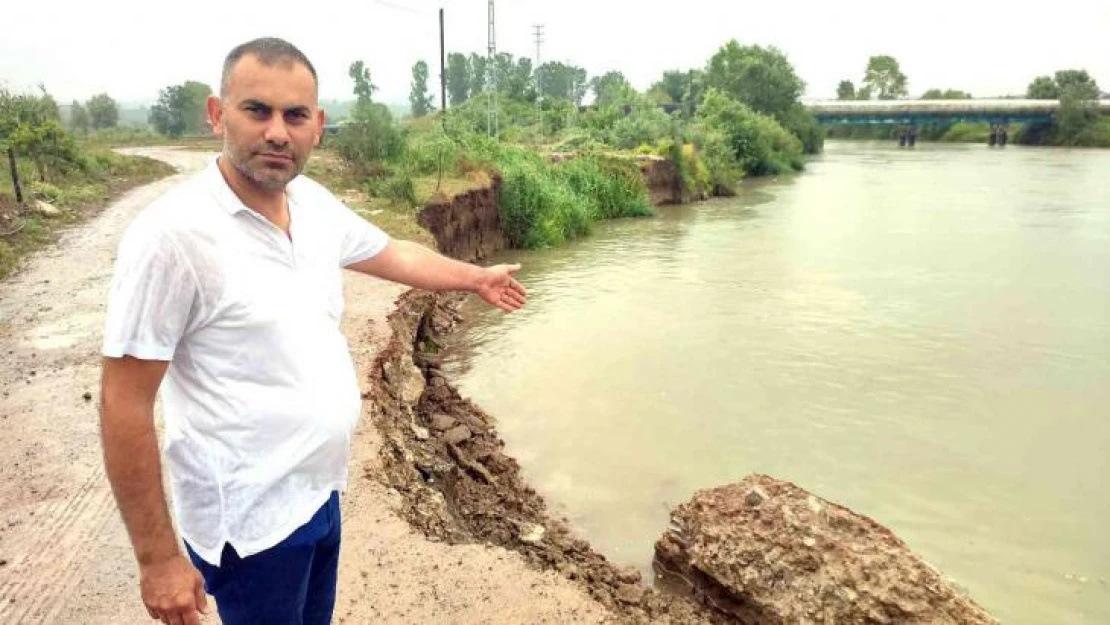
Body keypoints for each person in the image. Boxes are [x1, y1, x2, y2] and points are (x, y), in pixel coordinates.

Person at [99, 37, 526, 625]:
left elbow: (393, 252)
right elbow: (124, 401)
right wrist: (158, 560)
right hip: (250, 529)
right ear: (217, 114)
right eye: (258, 110)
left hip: (318, 494)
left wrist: (474, 276)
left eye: (295, 115)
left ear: (318, 125)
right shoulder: (172, 238)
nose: (278, 131)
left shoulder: (312, 204)